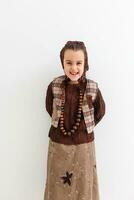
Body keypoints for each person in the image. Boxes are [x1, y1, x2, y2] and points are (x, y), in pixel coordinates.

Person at [44, 41, 106, 200]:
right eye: (69, 63)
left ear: (85, 64)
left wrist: (84, 127)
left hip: (83, 148)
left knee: (84, 186)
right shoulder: (54, 86)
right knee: (57, 186)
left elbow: (100, 112)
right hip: (58, 146)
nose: (74, 68)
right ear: (62, 63)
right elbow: (50, 108)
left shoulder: (92, 88)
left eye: (79, 63)